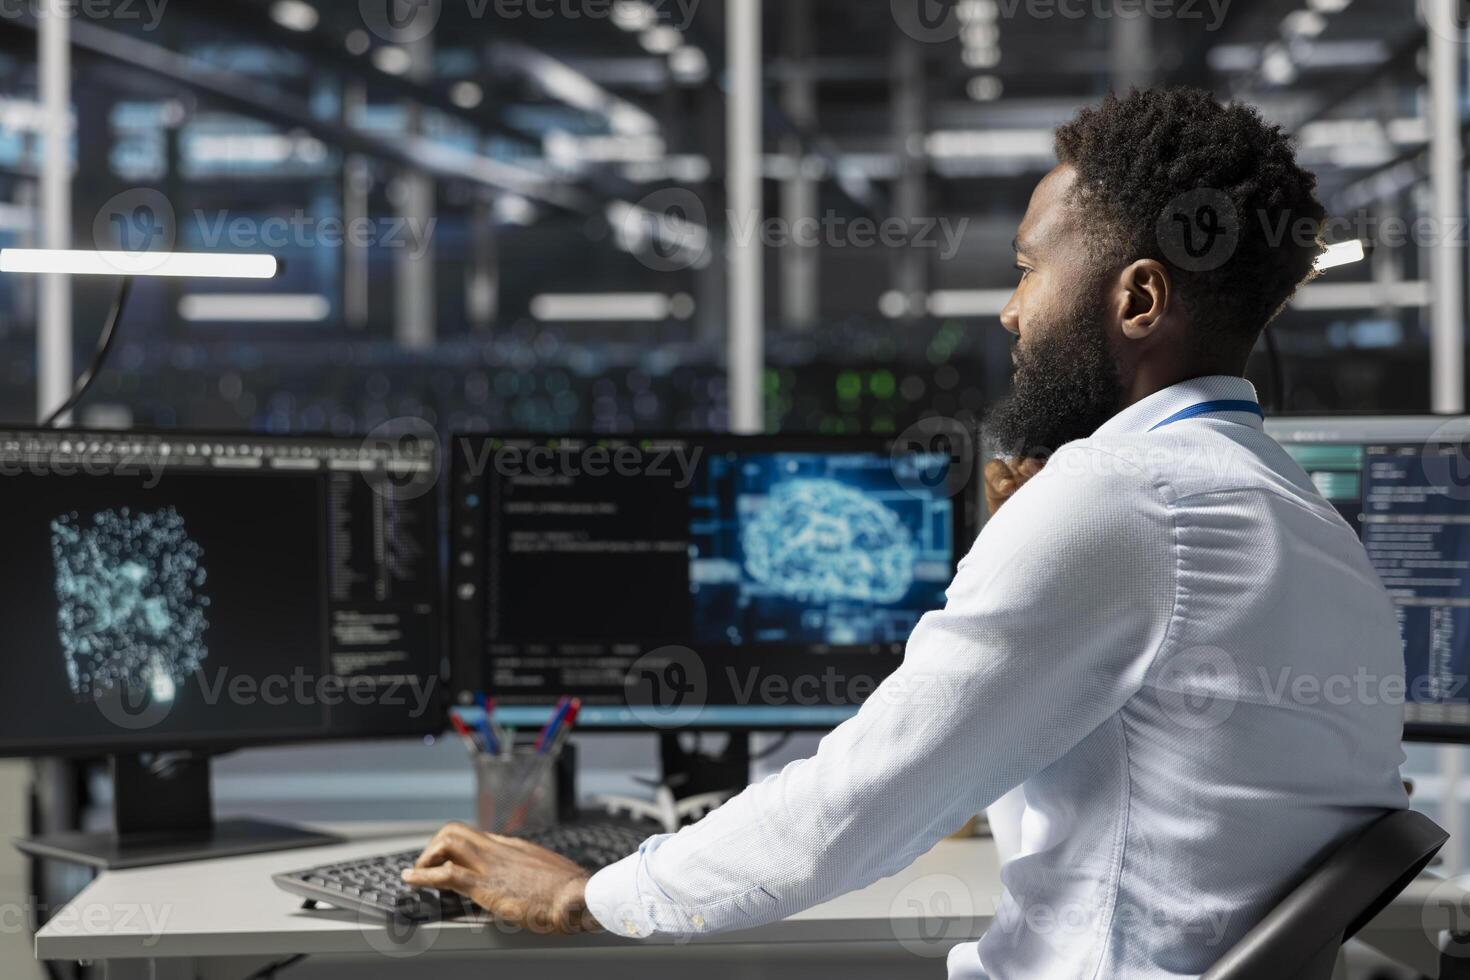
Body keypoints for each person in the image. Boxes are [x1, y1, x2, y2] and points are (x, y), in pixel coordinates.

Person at [404, 87, 1409, 978]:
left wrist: (591, 893)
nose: (1011, 313)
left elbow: (854, 807)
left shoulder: (1121, 495)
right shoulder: (1300, 515)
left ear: (1138, 297)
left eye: (1029, 269)